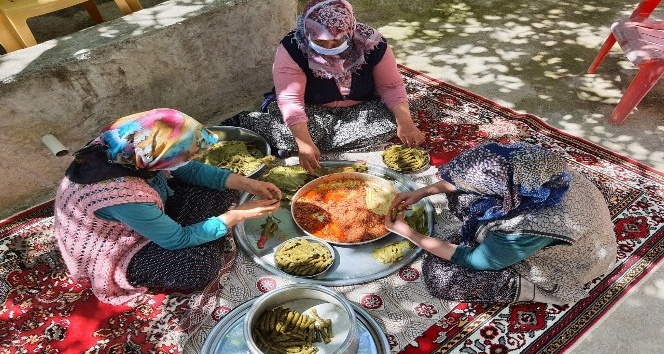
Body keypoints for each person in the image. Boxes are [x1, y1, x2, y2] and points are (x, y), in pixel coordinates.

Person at [54, 108, 282, 305]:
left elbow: (191, 170)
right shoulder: (125, 195)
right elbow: (177, 240)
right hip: (120, 246)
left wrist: (247, 183)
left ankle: (202, 229)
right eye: (187, 154)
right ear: (162, 159)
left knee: (218, 190)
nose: (191, 158)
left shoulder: (137, 147)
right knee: (198, 269)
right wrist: (234, 216)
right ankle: (203, 233)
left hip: (145, 215)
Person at [385, 142, 617, 304]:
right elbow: (469, 181)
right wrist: (425, 191)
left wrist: (410, 234)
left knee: (440, 276)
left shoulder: (527, 227)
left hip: (570, 264)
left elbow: (476, 261)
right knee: (460, 197)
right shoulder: (535, 169)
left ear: (507, 192)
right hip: (564, 225)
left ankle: (532, 290)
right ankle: (491, 240)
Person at [223, 0, 425, 173]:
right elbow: (290, 100)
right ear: (308, 32)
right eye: (320, 41)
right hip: (310, 111)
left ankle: (323, 138)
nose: (329, 49)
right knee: (299, 135)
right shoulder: (293, 47)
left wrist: (405, 123)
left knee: (398, 119)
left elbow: (391, 87)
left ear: (350, 30)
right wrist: (303, 142)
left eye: (337, 41)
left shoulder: (373, 44)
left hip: (359, 110)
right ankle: (248, 121)